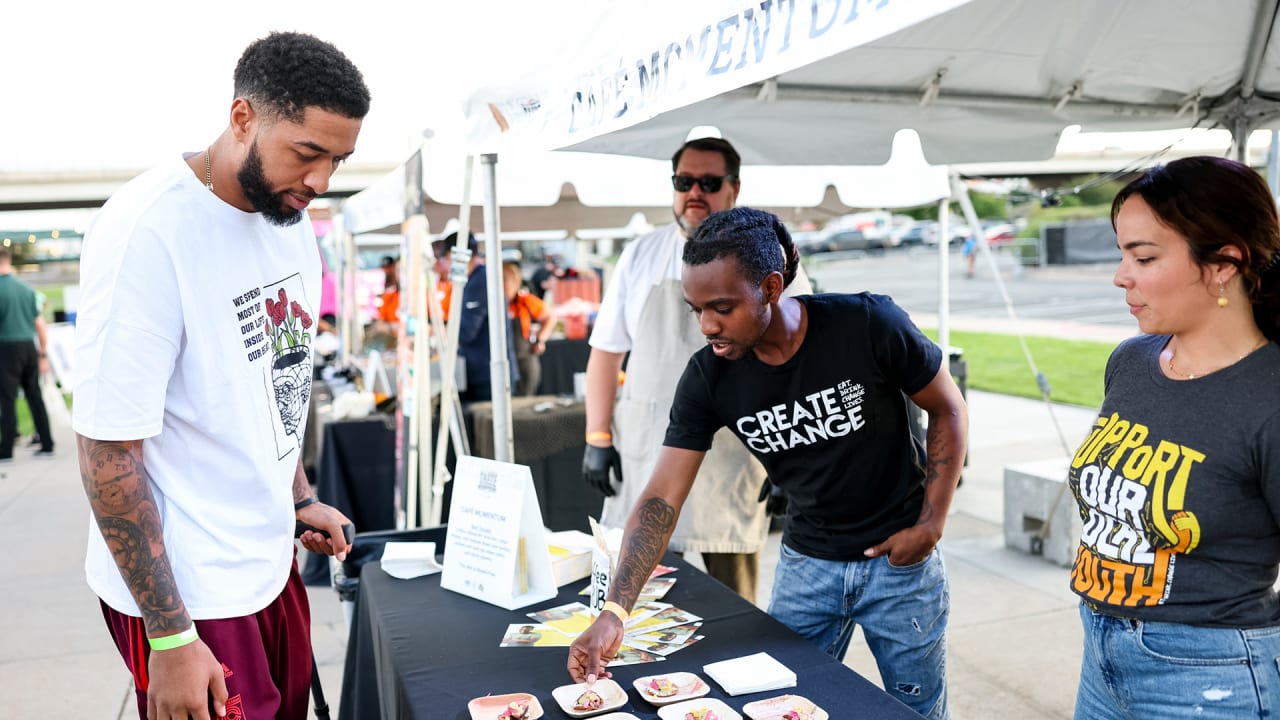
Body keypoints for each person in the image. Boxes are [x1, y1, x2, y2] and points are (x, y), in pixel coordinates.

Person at [568, 208, 968, 720]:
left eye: (722, 307)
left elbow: (948, 408)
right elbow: (662, 495)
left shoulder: (867, 323)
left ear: (771, 287)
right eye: (696, 310)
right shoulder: (709, 375)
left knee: (918, 712)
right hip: (808, 568)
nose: (708, 325)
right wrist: (615, 612)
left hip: (901, 567)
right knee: (772, 706)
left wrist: (932, 524)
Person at [73, 32, 366, 720]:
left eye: (338, 159)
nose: (321, 180)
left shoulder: (290, 219)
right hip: (190, 593)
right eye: (307, 152)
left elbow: (274, 386)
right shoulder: (148, 233)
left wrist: (296, 499)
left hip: (266, 562)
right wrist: (170, 636)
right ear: (243, 119)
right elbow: (107, 454)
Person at [1069, 156, 1280, 719]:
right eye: (1122, 254)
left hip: (1212, 675)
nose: (1121, 275)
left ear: (1223, 265)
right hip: (1102, 651)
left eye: (1143, 257)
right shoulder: (1132, 361)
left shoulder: (1269, 396)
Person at [582, 137, 812, 603]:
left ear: (734, 187)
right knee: (642, 601)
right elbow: (605, 353)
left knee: (736, 605)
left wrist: (795, 456)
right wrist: (597, 439)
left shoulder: (772, 260)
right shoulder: (638, 255)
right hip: (649, 451)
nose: (695, 193)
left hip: (733, 455)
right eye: (684, 181)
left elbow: (799, 359)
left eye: (709, 182)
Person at [442, 231, 518, 403]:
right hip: (485, 372)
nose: (447, 265)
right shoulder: (476, 280)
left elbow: (466, 332)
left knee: (488, 426)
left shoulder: (480, 282)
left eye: (447, 258)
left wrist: (434, 330)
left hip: (488, 375)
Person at [0, 246, 54, 461]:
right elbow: (40, 324)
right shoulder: (26, 289)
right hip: (29, 349)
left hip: (6, 349)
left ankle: (6, 449)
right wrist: (43, 354)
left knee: (7, 400)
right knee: (35, 397)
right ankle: (47, 443)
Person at [504, 261, 555, 396]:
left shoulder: (524, 301)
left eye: (507, 280)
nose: (504, 285)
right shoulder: (491, 304)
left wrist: (540, 339)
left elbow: (550, 317)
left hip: (524, 360)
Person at [376, 254, 400, 323]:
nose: (386, 270)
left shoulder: (395, 279)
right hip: (388, 320)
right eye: (384, 267)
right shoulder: (387, 280)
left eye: (388, 267)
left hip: (394, 320)